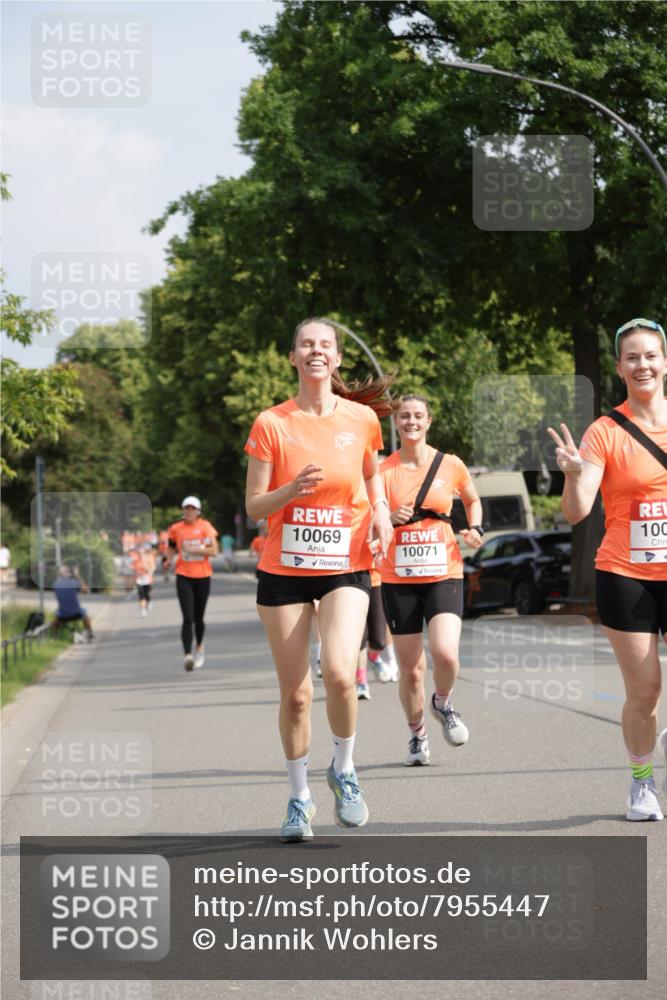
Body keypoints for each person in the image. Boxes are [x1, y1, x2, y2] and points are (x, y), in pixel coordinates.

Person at [244, 316, 394, 841]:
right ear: (293, 357)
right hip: (284, 570)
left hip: (347, 563)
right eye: (306, 344)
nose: (316, 351)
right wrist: (290, 492)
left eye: (324, 345)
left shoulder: (360, 419)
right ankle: (298, 797)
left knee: (339, 672)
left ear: (336, 358)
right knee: (297, 695)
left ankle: (345, 769)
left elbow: (372, 475)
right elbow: (253, 503)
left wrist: (379, 510)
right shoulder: (272, 423)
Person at [548, 317, 667, 821]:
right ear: (620, 368)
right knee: (645, 692)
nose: (643, 365)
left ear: (665, 362)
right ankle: (642, 784)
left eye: (651, 355)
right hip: (627, 572)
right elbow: (577, 511)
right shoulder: (604, 431)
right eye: (633, 357)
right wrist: (573, 475)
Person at [379, 394, 483, 766]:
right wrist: (389, 517)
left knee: (445, 653)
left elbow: (471, 499)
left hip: (444, 571)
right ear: (396, 423)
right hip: (398, 577)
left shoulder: (449, 464)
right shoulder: (382, 470)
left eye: (418, 415)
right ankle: (417, 735)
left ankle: (442, 700)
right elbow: (369, 519)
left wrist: (474, 527)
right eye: (404, 416)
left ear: (429, 420)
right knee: (410, 670)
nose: (411, 421)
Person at [167, 497, 219, 671]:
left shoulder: (205, 527)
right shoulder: (176, 529)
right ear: (183, 510)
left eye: (192, 509)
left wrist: (193, 550)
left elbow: (214, 551)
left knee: (199, 617)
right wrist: (167, 561)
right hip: (183, 575)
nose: (189, 511)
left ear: (198, 511)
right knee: (187, 617)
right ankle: (187, 655)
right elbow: (171, 547)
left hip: (203, 575)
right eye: (186, 508)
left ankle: (199, 648)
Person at [53, 564, 95, 641]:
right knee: (86, 615)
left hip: (62, 615)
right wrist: (77, 575)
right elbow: (86, 591)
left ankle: (55, 636)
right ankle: (90, 633)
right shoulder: (73, 582)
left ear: (59, 574)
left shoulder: (55, 584)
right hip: (77, 613)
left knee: (56, 616)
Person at [132, 544, 156, 618]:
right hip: (139, 581)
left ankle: (149, 602)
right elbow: (133, 570)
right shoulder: (135, 560)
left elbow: (153, 568)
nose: (140, 554)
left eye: (142, 553)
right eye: (139, 553)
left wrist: (147, 569)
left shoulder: (149, 558)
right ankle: (143, 610)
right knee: (141, 596)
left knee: (147, 595)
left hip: (147, 580)